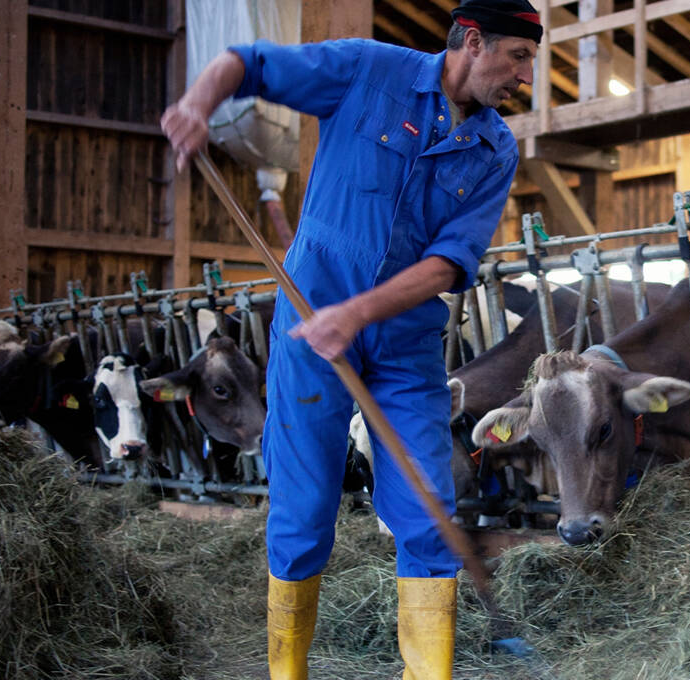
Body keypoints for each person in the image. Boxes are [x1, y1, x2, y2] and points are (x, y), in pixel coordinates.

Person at [160, 1, 539, 678]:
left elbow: (450, 263)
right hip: (312, 330)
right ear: (474, 42)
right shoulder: (369, 70)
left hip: (403, 349)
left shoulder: (495, 147)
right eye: (518, 55)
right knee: (305, 513)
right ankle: (287, 671)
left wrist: (359, 313)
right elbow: (248, 64)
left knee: (427, 511)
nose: (525, 75)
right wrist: (196, 102)